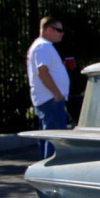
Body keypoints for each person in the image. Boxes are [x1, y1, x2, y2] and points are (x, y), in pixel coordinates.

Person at [26, 16, 70, 159]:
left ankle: (48, 167)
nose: (62, 33)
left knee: (48, 137)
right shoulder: (43, 46)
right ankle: (53, 170)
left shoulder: (41, 46)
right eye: (59, 30)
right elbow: (42, 72)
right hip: (50, 100)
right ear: (49, 30)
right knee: (55, 139)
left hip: (46, 99)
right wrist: (56, 93)